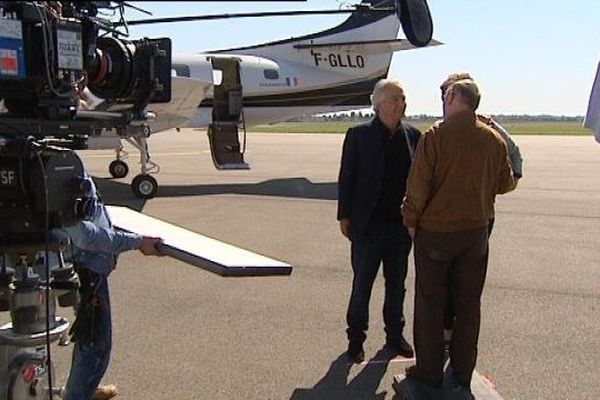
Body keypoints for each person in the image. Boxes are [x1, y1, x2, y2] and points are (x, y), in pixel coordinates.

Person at [400, 79, 515, 396]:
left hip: (436, 234)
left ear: (453, 98)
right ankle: (463, 370)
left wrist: (411, 220)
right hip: (475, 234)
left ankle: (429, 370)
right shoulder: (493, 140)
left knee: (430, 305)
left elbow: (417, 186)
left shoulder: (436, 136)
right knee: (468, 305)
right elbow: (505, 184)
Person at [337, 79, 420, 363]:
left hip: (400, 228)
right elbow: (346, 177)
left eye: (403, 98)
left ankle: (395, 336)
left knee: (397, 285)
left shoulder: (413, 136)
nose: (401, 104)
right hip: (367, 226)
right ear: (379, 104)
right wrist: (344, 215)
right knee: (362, 285)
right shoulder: (358, 135)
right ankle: (355, 340)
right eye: (396, 98)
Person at [438, 72, 523, 347]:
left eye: (447, 95)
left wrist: (496, 186)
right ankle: (452, 332)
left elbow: (515, 160)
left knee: (460, 279)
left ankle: (453, 332)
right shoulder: (442, 129)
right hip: (473, 218)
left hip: (469, 220)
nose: (444, 100)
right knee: (458, 279)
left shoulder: (488, 130)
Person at [60, 175, 163, 400]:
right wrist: (136, 241)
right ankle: (78, 394)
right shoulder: (59, 166)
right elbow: (84, 236)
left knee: (86, 334)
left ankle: (81, 387)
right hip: (83, 268)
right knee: (96, 345)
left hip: (66, 262)